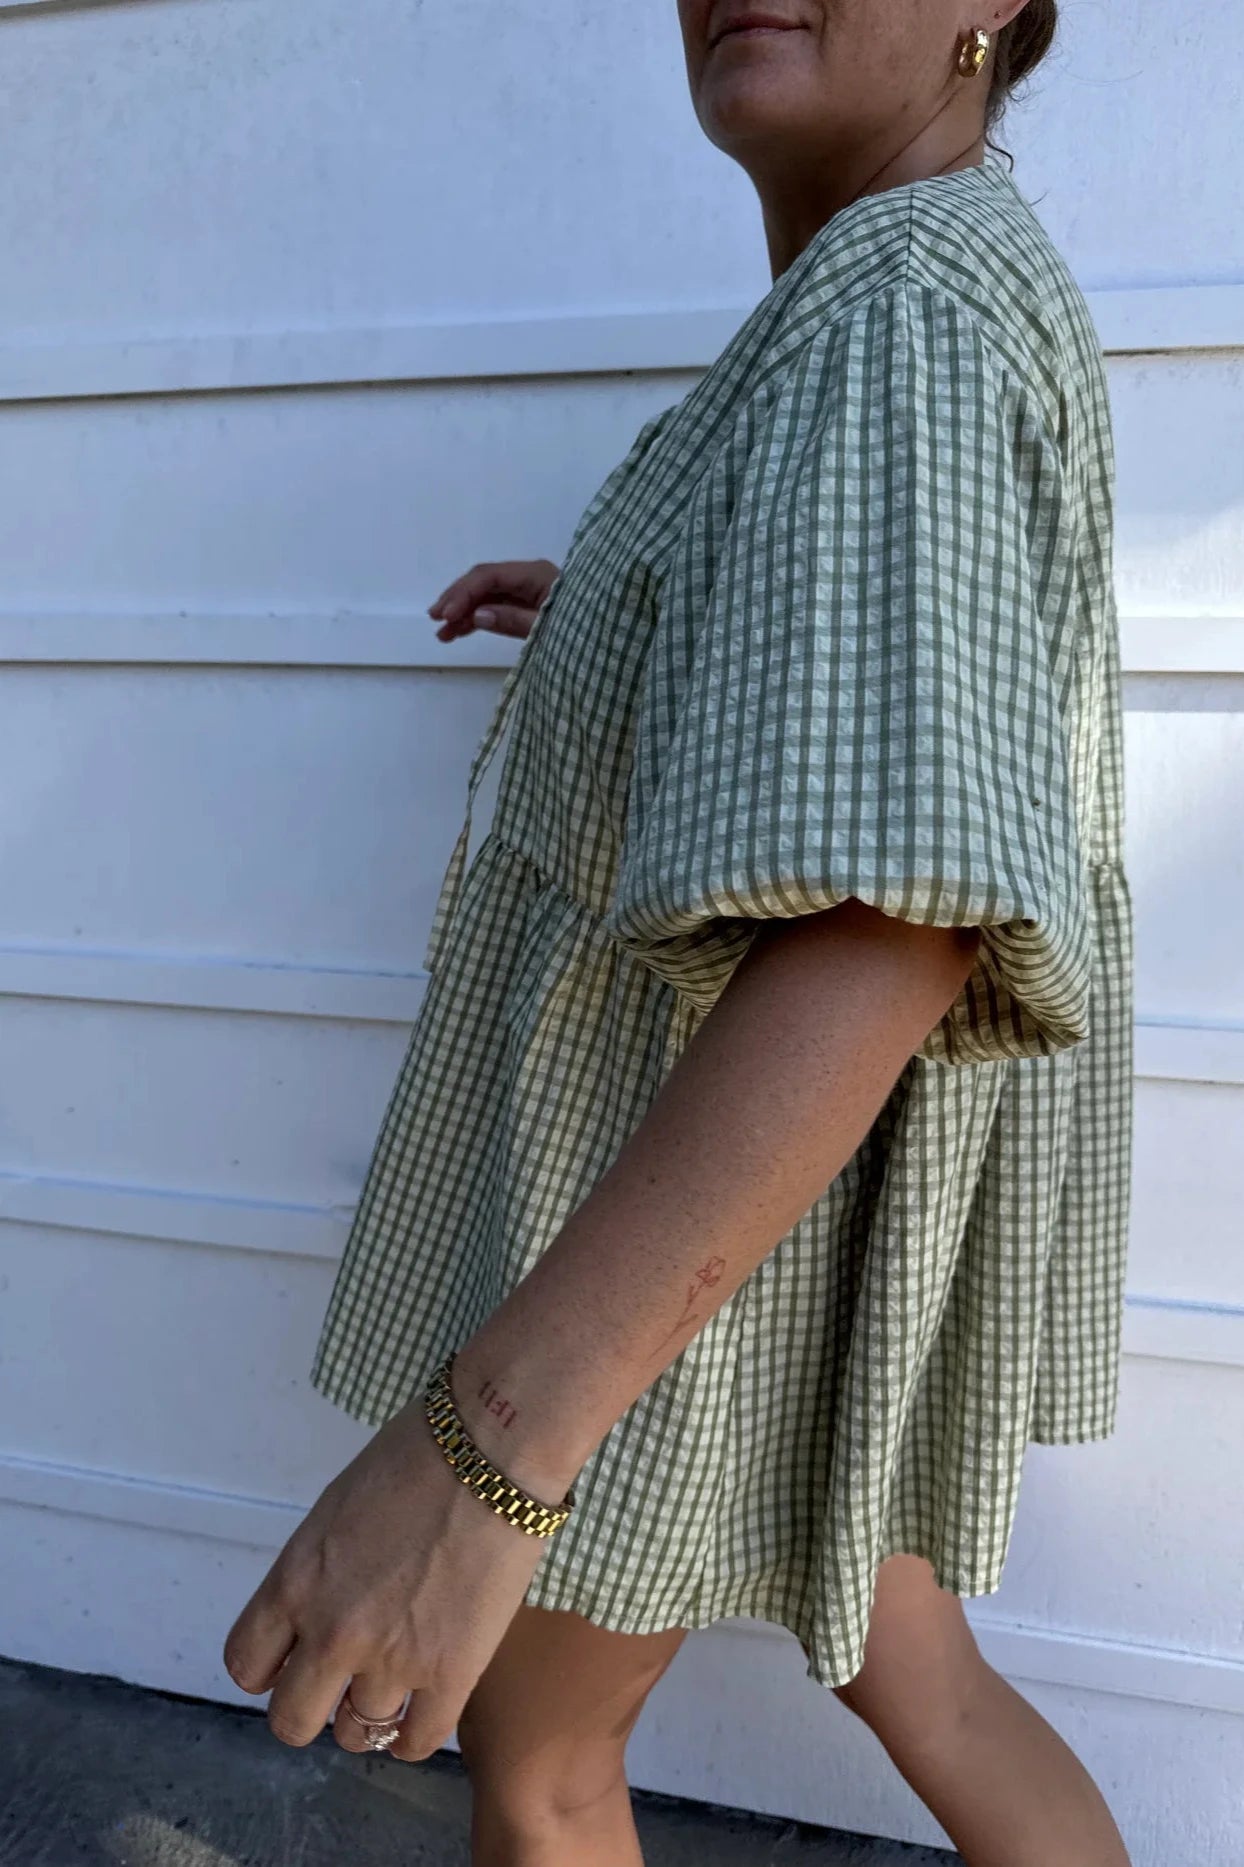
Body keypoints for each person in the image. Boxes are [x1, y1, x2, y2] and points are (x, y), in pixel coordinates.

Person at [224, 4, 1135, 1864]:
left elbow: (891, 923)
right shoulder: (918, 287)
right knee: (929, 1683)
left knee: (546, 1770)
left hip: (703, 1237)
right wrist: (631, 604)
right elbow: (891, 705)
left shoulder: (902, 317)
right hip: (813, 1233)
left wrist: (490, 1455)